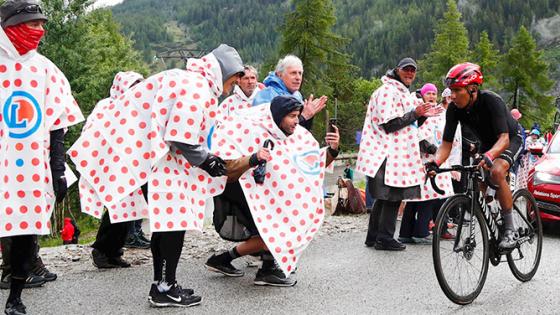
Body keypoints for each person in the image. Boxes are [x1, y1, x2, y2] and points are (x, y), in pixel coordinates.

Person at [70, 44, 244, 308]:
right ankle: (165, 287)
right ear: (225, 72)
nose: (234, 86)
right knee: (173, 228)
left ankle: (163, 284)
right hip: (166, 168)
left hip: (158, 164)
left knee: (165, 228)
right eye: (234, 79)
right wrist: (207, 160)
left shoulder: (188, 80)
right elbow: (180, 135)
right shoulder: (196, 87)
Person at [0, 1, 85, 313]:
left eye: (42, 24)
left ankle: (15, 297)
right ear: (13, 26)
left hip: (30, 168)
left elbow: (57, 126)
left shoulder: (45, 69)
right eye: (34, 24)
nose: (40, 31)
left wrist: (58, 169)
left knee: (24, 228)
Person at [205, 95, 340, 286]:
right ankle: (264, 270)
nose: (297, 121)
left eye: (298, 115)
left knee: (274, 230)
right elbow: (226, 165)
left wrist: (333, 150)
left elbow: (309, 164)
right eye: (292, 116)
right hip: (244, 190)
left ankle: (226, 260)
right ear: (278, 116)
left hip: (272, 193)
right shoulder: (251, 130)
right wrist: (253, 158)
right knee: (275, 229)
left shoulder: (295, 135)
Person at [429, 62, 524, 250]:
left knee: (496, 171)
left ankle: (509, 229)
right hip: (487, 144)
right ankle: (492, 212)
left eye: (457, 90)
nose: (452, 95)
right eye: (450, 90)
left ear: (472, 89)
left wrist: (489, 156)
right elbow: (446, 145)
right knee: (479, 179)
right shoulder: (454, 109)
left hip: (510, 138)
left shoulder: (491, 101)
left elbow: (504, 139)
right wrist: (435, 162)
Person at [356, 58, 441, 251]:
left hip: (393, 151)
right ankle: (384, 238)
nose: (410, 73)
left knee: (384, 196)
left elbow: (408, 125)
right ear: (397, 70)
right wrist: (416, 114)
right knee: (392, 195)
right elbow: (390, 124)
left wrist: (420, 116)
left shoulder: (400, 92)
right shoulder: (388, 91)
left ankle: (374, 236)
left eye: (413, 70)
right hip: (386, 150)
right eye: (406, 70)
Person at [80, 71, 149, 267]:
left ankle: (114, 251)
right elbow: (92, 132)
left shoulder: (138, 108)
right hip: (113, 165)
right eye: (133, 86)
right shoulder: (106, 106)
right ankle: (102, 250)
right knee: (116, 210)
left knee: (130, 210)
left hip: (134, 165)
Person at [399, 83, 461, 244]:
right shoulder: (419, 110)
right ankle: (420, 231)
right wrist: (435, 150)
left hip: (432, 158)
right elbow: (416, 135)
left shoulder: (435, 112)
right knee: (427, 197)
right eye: (429, 93)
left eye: (434, 93)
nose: (432, 96)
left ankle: (407, 232)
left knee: (419, 198)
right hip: (424, 159)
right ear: (423, 95)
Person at [253, 55, 327, 130]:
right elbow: (269, 129)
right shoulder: (267, 95)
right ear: (280, 74)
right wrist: (303, 116)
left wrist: (309, 116)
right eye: (293, 73)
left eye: (300, 73)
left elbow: (301, 131)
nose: (298, 78)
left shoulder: (297, 95)